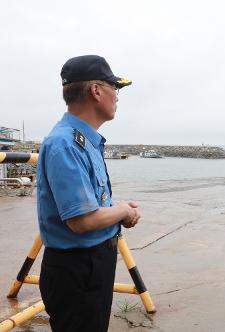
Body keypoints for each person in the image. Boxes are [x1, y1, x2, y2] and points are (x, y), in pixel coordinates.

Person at [37, 55, 141, 332]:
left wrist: (118, 213)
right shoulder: (65, 144)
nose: (117, 97)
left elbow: (92, 207)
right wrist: (122, 210)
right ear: (96, 91)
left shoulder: (86, 141)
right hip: (77, 270)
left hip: (93, 264)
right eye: (114, 89)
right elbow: (81, 221)